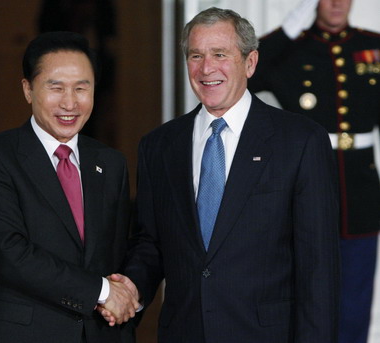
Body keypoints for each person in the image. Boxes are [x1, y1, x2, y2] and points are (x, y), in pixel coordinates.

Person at [112, 7, 340, 343]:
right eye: (196, 55)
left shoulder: (300, 141)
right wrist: (130, 288)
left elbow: (318, 268)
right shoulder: (159, 146)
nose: (206, 68)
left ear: (250, 63)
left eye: (220, 54)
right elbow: (152, 243)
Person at [0, 31, 139, 343]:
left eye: (81, 88)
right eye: (55, 87)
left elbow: (117, 254)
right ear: (28, 90)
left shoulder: (110, 162)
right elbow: (11, 255)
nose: (70, 102)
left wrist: (126, 294)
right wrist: (102, 292)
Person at [247, 1, 380, 342]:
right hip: (303, 186)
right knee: (303, 294)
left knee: (355, 298)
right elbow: (245, 76)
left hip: (360, 190)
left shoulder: (372, 46)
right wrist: (289, 29)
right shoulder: (291, 48)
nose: (336, 3)